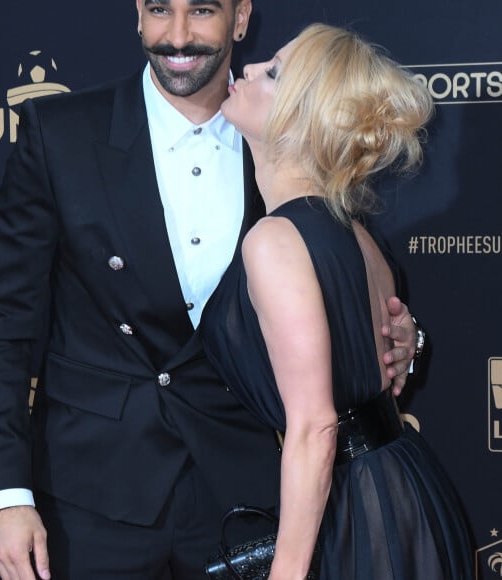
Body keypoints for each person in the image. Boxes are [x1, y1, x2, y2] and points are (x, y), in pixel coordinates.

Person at [0, 2, 419, 579]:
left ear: (240, 17)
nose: (178, 35)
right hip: (89, 500)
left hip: (249, 494)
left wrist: (404, 335)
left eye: (202, 9)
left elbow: (349, 284)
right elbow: (1, 326)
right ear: (137, 13)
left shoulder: (293, 138)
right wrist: (6, 495)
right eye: (159, 9)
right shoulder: (60, 135)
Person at [200, 22, 473, 580]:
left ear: (302, 118)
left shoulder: (276, 240)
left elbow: (316, 427)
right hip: (402, 489)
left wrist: (287, 574)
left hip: (356, 511)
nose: (248, 69)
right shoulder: (357, 234)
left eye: (273, 72)